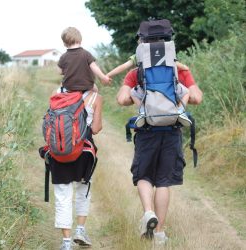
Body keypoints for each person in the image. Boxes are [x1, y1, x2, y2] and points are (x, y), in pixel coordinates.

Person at [117, 67, 202, 245]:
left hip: (146, 131)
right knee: (163, 181)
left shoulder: (137, 72)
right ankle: (159, 234)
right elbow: (197, 98)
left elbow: (122, 99)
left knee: (143, 176)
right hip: (171, 131)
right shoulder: (179, 70)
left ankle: (148, 213)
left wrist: (141, 100)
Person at [43, 89, 103, 250]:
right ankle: (80, 230)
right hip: (84, 153)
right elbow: (96, 128)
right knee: (83, 190)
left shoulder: (58, 93)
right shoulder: (95, 97)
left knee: (63, 196)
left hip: (59, 152)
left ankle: (66, 243)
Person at [107, 52, 192, 126]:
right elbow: (178, 65)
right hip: (167, 86)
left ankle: (142, 112)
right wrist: (185, 67)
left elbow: (123, 66)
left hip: (148, 86)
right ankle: (180, 111)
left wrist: (107, 75)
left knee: (133, 92)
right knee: (186, 92)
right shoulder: (166, 52)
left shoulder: (140, 54)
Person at [58, 26, 111, 92]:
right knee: (96, 91)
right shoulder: (86, 54)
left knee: (58, 91)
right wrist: (103, 77)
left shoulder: (63, 57)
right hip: (87, 86)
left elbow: (60, 72)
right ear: (80, 40)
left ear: (64, 43)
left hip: (69, 87)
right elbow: (95, 68)